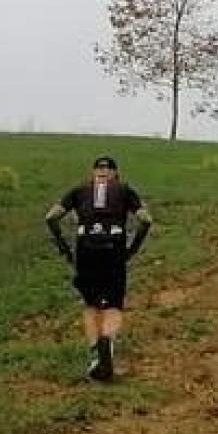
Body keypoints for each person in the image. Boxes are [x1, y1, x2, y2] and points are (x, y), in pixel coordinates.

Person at [45, 155, 152, 382]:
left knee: (91, 303)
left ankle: (96, 353)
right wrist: (133, 248)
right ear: (115, 174)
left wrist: (64, 247)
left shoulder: (80, 189)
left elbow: (51, 217)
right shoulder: (123, 189)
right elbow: (146, 219)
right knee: (113, 303)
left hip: (86, 250)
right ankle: (107, 341)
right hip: (113, 249)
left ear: (94, 173)